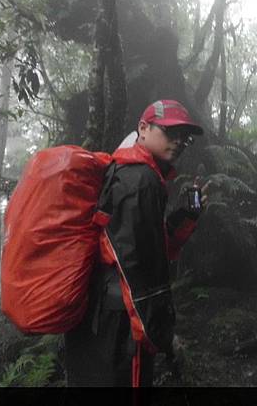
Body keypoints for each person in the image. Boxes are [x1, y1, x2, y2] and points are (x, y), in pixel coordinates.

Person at [64, 99, 205, 387]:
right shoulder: (141, 180)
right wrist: (161, 333)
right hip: (118, 324)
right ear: (143, 128)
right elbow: (140, 269)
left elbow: (148, 243)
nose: (178, 142)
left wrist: (187, 215)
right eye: (170, 132)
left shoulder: (124, 170)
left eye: (184, 137)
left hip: (96, 318)